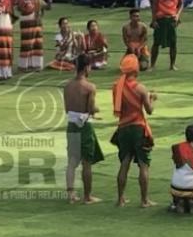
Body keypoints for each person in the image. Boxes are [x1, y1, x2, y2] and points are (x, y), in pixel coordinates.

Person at [112, 55, 156, 208]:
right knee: (143, 164)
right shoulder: (140, 88)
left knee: (124, 163)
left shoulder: (116, 87)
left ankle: (120, 199)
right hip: (138, 127)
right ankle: (144, 200)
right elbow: (149, 111)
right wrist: (152, 99)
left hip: (123, 128)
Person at [65, 55, 103, 205]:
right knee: (87, 162)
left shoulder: (67, 86)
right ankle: (87, 196)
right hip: (85, 126)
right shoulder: (90, 87)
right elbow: (90, 109)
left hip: (72, 124)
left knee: (72, 161)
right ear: (87, 67)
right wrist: (97, 110)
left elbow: (67, 108)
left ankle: (70, 194)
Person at [150, 0, 183, 71]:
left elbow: (181, 4)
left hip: (172, 18)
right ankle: (152, 65)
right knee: (156, 42)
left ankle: (172, 65)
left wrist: (178, 15)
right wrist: (154, 20)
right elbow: (154, 5)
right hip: (160, 18)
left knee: (173, 42)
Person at [16, 0, 46, 72]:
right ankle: (24, 66)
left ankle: (37, 65)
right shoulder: (23, 0)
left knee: (37, 44)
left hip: (37, 25)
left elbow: (46, 7)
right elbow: (19, 8)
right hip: (26, 25)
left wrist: (42, 13)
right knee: (26, 44)